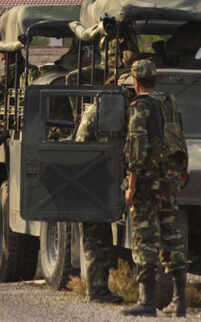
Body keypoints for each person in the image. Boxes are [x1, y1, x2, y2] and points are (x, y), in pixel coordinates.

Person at [122, 60, 187, 317]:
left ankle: (147, 301)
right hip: (169, 183)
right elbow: (180, 139)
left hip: (147, 185)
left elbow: (137, 150)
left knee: (145, 240)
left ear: (135, 81)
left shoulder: (140, 107)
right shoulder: (168, 103)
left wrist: (131, 186)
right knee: (173, 238)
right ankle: (179, 302)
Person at [74, 100, 124, 304]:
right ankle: (95, 291)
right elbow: (108, 149)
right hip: (91, 185)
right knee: (95, 241)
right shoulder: (103, 114)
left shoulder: (99, 109)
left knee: (100, 239)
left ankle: (99, 289)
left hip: (91, 183)